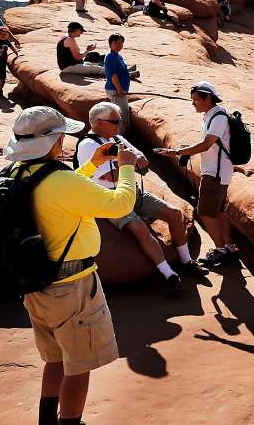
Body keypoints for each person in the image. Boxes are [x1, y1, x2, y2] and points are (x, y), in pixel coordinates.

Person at [5, 106, 137, 425]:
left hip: (37, 285)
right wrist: (126, 167)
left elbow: (62, 191)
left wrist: (92, 163)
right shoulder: (61, 180)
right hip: (72, 286)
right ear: (54, 141)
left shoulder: (20, 172)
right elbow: (120, 204)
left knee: (55, 360)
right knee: (79, 367)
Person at [77, 102, 208, 296]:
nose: (119, 125)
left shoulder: (117, 138)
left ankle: (186, 261)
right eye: (115, 121)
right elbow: (111, 176)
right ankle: (169, 275)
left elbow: (142, 160)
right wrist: (129, 164)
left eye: (120, 120)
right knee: (140, 229)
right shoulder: (88, 145)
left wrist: (126, 164)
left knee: (174, 214)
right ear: (99, 123)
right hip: (109, 198)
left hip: (132, 191)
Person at [156, 82, 239, 269]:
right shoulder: (211, 115)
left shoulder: (218, 117)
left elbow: (207, 144)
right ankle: (230, 247)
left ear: (207, 98)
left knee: (205, 213)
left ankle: (220, 250)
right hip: (218, 171)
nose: (193, 103)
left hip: (215, 174)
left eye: (196, 99)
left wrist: (179, 152)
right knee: (218, 211)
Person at [103, 34, 132, 134]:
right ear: (110, 44)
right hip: (115, 89)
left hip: (120, 89)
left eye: (121, 43)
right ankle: (119, 137)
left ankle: (124, 136)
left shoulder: (118, 56)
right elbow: (113, 75)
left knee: (124, 112)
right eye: (116, 43)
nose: (119, 45)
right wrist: (119, 89)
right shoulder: (110, 57)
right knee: (120, 114)